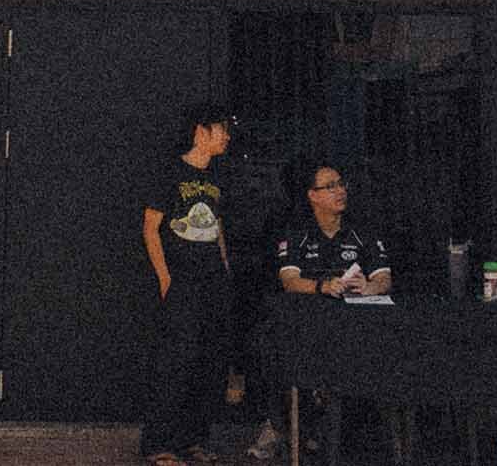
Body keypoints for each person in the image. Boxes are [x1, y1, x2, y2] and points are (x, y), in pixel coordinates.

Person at [246, 160, 391, 459]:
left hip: (354, 326)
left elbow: (384, 278)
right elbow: (290, 281)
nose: (340, 191)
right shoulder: (297, 232)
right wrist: (322, 286)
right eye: (330, 186)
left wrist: (369, 287)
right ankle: (281, 427)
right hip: (307, 325)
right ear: (312, 195)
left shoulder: (361, 230)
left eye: (341, 184)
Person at [140, 104, 232, 466]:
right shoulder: (171, 172)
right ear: (200, 131)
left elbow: (218, 226)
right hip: (183, 278)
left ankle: (193, 438)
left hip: (213, 278)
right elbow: (151, 228)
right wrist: (165, 277)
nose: (226, 136)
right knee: (176, 360)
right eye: (220, 128)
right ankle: (159, 443)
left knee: (209, 361)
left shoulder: (217, 177)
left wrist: (224, 267)